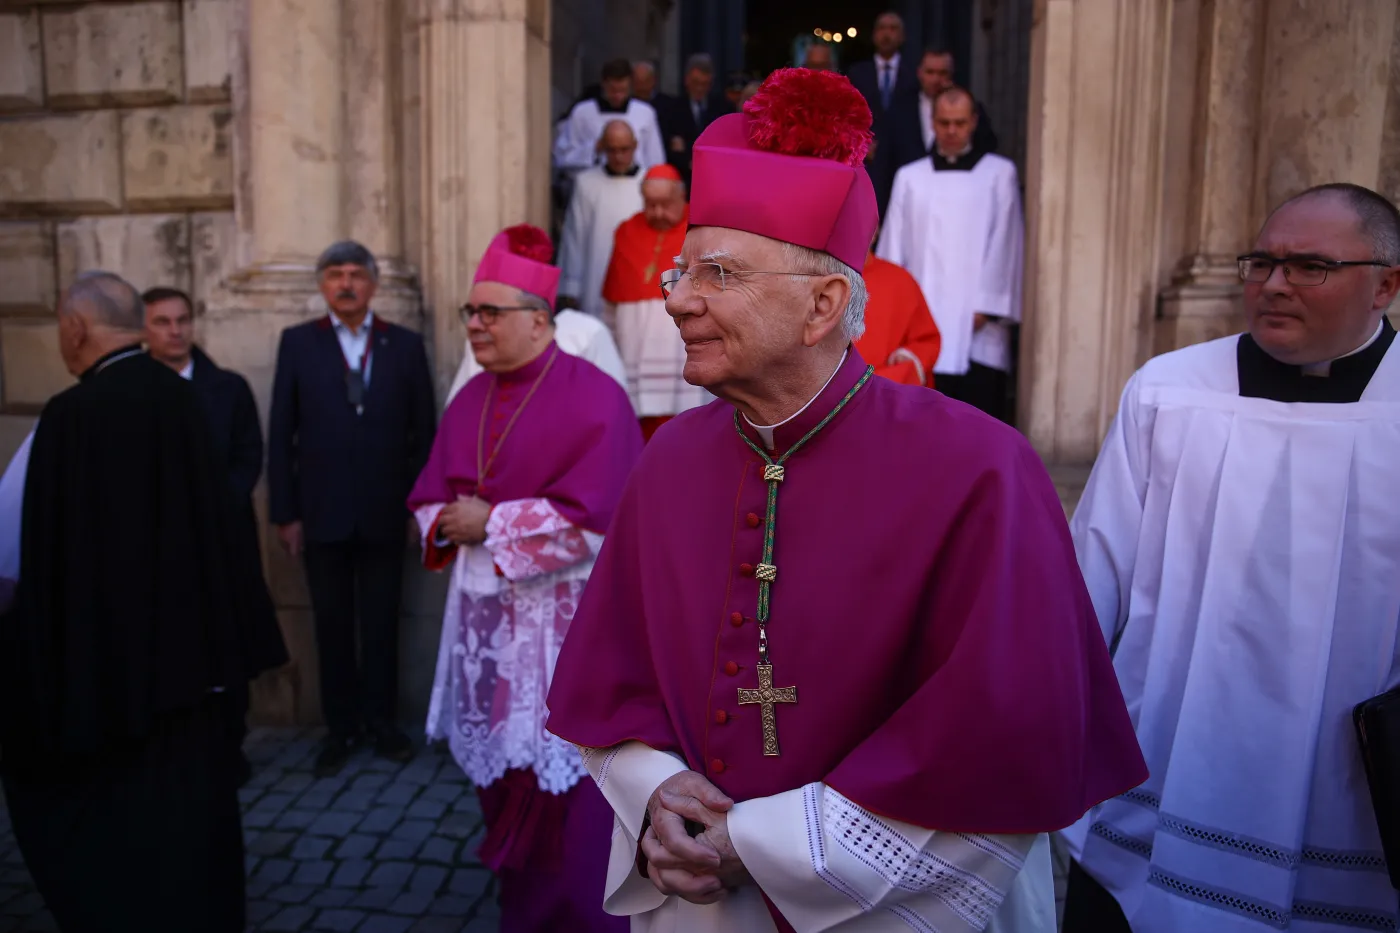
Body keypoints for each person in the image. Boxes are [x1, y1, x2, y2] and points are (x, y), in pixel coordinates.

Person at [545, 68, 1146, 932]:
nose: (675, 298)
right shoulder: (670, 456)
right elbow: (613, 682)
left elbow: (999, 746)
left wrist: (759, 839)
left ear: (823, 304)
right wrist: (654, 798)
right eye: (680, 269)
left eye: (715, 272)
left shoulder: (982, 469)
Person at [1060, 183, 1400, 933]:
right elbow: (1087, 584)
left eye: (1309, 265)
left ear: (1386, 284)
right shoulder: (1171, 393)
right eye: (1261, 262)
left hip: (1347, 788)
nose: (1274, 284)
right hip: (1166, 755)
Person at [0, 271, 287, 932]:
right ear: (139, 325)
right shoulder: (188, 400)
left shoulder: (68, 418)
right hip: (193, 671)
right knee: (193, 814)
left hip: (109, 680)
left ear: (76, 330)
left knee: (122, 830)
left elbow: (19, 554)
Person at [409, 224, 641, 932]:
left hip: (560, 630)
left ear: (539, 321)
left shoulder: (595, 396)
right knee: (502, 781)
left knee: (569, 795)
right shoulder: (470, 395)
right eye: (469, 314)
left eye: (489, 313)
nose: (474, 325)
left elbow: (602, 520)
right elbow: (427, 497)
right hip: (485, 628)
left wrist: (495, 523)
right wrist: (446, 520)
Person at [268, 240, 437, 776]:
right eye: (335, 274)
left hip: (388, 511)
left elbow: (424, 433)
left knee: (383, 623)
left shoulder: (404, 345)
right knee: (332, 625)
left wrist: (421, 507)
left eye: (355, 274)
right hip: (321, 513)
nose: (345, 283)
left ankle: (382, 725)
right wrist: (285, 512)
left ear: (372, 283)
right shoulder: (298, 343)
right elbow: (281, 433)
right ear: (322, 285)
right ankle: (340, 730)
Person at [144, 285, 284, 786]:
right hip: (161, 547)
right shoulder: (135, 394)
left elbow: (248, 455)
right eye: (162, 322)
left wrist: (211, 506)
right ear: (145, 329)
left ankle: (230, 744)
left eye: (182, 320)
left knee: (230, 641)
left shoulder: (228, 387)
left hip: (223, 540)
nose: (175, 331)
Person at [879, 87, 1023, 421]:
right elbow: (893, 248)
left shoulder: (999, 174)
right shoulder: (910, 177)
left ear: (973, 122)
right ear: (932, 122)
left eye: (959, 122)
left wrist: (987, 306)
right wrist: (898, 311)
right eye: (944, 122)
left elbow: (1006, 241)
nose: (952, 131)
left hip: (978, 322)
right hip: (920, 320)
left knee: (976, 422)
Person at [605, 164, 710, 439]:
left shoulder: (700, 231)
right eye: (650, 205)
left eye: (665, 205)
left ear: (682, 198)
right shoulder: (626, 231)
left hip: (678, 349)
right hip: (634, 348)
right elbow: (613, 297)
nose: (658, 213)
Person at [558, 120, 646, 320]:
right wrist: (571, 286)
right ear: (602, 147)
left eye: (624, 149)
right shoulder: (586, 183)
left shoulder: (647, 182)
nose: (618, 157)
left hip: (636, 279)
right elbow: (575, 236)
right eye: (612, 150)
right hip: (595, 275)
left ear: (635, 146)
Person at [555, 58, 665, 178]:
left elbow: (655, 159)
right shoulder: (582, 112)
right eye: (613, 90)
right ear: (603, 84)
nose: (618, 96)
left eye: (623, 90)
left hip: (635, 186)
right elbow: (563, 158)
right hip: (594, 184)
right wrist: (594, 148)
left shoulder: (645, 112)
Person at [858, 246, 941, 386]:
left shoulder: (899, 279)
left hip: (883, 396)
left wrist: (908, 359)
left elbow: (927, 341)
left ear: (876, 230)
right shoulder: (812, 276)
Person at [655, 53, 732, 185]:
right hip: (684, 180)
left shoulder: (723, 108)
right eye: (696, 83)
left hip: (716, 179)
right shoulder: (672, 109)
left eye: (705, 84)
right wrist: (690, 163)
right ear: (687, 80)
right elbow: (668, 149)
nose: (699, 88)